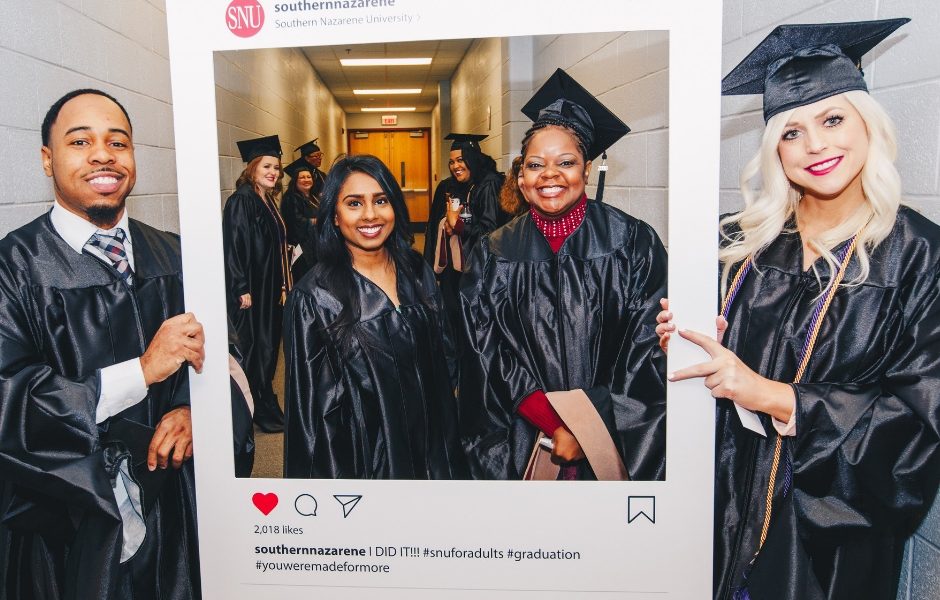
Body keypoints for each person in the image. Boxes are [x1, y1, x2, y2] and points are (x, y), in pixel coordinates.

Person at [657, 19, 940, 600]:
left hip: (830, 529)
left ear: (869, 124)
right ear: (772, 149)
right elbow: (686, 389)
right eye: (791, 131)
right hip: (720, 503)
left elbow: (919, 416)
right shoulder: (735, 244)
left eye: (832, 120)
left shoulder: (918, 253)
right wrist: (680, 347)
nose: (815, 146)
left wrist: (771, 394)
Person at [0, 89, 204, 598]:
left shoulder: (174, 252)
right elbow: (9, 395)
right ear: (47, 159)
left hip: (175, 509)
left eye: (118, 141)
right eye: (79, 141)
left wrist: (192, 406)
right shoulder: (14, 267)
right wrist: (143, 371)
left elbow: (225, 353)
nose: (103, 154)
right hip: (66, 519)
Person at [458, 69, 667, 481]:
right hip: (524, 432)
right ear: (521, 177)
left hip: (613, 432)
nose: (550, 175)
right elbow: (484, 349)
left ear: (586, 170)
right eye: (536, 165)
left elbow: (645, 347)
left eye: (566, 162)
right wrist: (553, 421)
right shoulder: (493, 251)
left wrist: (587, 422)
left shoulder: (633, 242)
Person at [283, 154, 468, 480]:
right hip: (367, 464)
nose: (370, 215)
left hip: (436, 455)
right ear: (335, 216)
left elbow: (445, 356)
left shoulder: (415, 270)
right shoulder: (314, 298)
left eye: (381, 200)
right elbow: (312, 415)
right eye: (354, 203)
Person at [222, 135, 292, 433]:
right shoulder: (242, 201)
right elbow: (233, 246)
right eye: (267, 166)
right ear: (252, 168)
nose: (273, 172)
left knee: (267, 349)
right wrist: (240, 288)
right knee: (256, 350)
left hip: (269, 288)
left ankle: (265, 401)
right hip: (252, 290)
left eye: (276, 167)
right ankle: (254, 409)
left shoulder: (267, 199)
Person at [429, 133, 507, 328]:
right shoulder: (451, 187)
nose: (455, 166)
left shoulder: (489, 184)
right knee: (452, 318)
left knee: (472, 322)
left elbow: (491, 232)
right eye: (452, 162)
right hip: (454, 267)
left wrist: (459, 226)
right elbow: (434, 229)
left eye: (461, 160)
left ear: (473, 159)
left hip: (478, 269)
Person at [280, 157, 319, 282]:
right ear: (295, 180)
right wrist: (316, 221)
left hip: (314, 245)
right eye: (302, 177)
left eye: (309, 177)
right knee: (305, 279)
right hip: (301, 249)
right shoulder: (291, 198)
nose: (306, 180)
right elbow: (295, 222)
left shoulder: (313, 197)